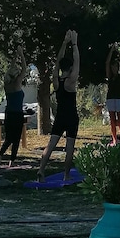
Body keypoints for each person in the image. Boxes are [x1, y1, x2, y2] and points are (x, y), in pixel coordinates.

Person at [37, 30, 80, 182]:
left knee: (51, 144)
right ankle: (66, 174)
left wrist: (64, 43)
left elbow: (57, 62)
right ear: (70, 68)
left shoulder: (56, 81)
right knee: (70, 147)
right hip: (71, 117)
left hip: (60, 117)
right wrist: (74, 43)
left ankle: (41, 170)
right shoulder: (71, 81)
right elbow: (77, 61)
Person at [0, 44, 28, 168]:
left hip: (8, 113)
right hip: (17, 114)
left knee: (9, 137)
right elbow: (24, 69)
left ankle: (0, 155)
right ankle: (12, 160)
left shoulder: (7, 84)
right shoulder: (17, 83)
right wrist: (21, 55)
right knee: (16, 138)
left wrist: (15, 56)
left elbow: (11, 68)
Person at [105, 42, 120, 145]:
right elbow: (107, 63)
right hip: (111, 98)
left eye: (115, 67)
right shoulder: (110, 76)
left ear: (117, 68)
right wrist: (111, 51)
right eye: (113, 67)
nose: (114, 69)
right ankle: (114, 138)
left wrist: (118, 52)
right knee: (112, 121)